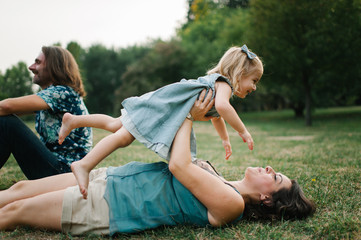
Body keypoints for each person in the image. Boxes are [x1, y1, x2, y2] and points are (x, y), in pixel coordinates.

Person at [0, 109, 316, 236]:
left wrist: (188, 115)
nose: (270, 169)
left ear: (265, 199)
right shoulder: (219, 179)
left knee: (15, 211)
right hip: (111, 177)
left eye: (275, 178)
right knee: (16, 190)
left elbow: (179, 166)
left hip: (108, 206)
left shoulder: (232, 205)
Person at [58, 44, 264, 198]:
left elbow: (216, 117)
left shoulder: (218, 86)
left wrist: (225, 139)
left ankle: (74, 120)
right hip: (163, 109)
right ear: (240, 72)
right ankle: (84, 165)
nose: (254, 87)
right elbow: (222, 108)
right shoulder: (224, 84)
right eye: (254, 80)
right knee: (122, 137)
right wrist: (242, 131)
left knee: (115, 124)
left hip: (162, 106)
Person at [0, 46, 92, 179]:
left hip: (65, 172)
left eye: (37, 62)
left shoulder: (63, 93)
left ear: (54, 67)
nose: (31, 67)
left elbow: (6, 107)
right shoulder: (50, 98)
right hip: (58, 170)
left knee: (6, 123)